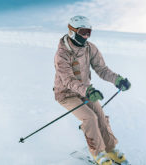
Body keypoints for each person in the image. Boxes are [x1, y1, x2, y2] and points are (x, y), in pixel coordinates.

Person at [53, 15, 131, 165]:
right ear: (72, 31)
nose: (86, 36)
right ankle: (98, 153)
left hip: (85, 92)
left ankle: (110, 149)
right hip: (67, 95)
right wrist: (88, 91)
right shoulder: (62, 54)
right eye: (83, 32)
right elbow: (68, 80)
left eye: (89, 32)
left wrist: (117, 80)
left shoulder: (90, 48)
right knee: (90, 118)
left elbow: (102, 69)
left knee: (100, 116)